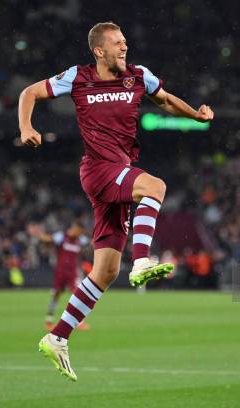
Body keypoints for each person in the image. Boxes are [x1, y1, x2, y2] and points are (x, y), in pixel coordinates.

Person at [18, 21, 214, 382]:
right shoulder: (77, 77)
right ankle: (142, 261)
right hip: (98, 170)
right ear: (99, 50)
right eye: (118, 43)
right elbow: (29, 93)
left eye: (126, 42)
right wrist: (26, 127)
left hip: (118, 173)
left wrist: (197, 115)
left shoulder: (139, 76)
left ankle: (57, 336)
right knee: (155, 186)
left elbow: (166, 99)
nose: (125, 48)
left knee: (105, 271)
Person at [28, 222, 91, 331]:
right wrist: (39, 234)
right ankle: (49, 320)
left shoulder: (80, 239)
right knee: (56, 294)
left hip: (72, 273)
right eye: (79, 231)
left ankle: (79, 322)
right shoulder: (62, 237)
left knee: (78, 294)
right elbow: (49, 239)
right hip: (61, 272)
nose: (80, 234)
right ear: (74, 228)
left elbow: (91, 242)